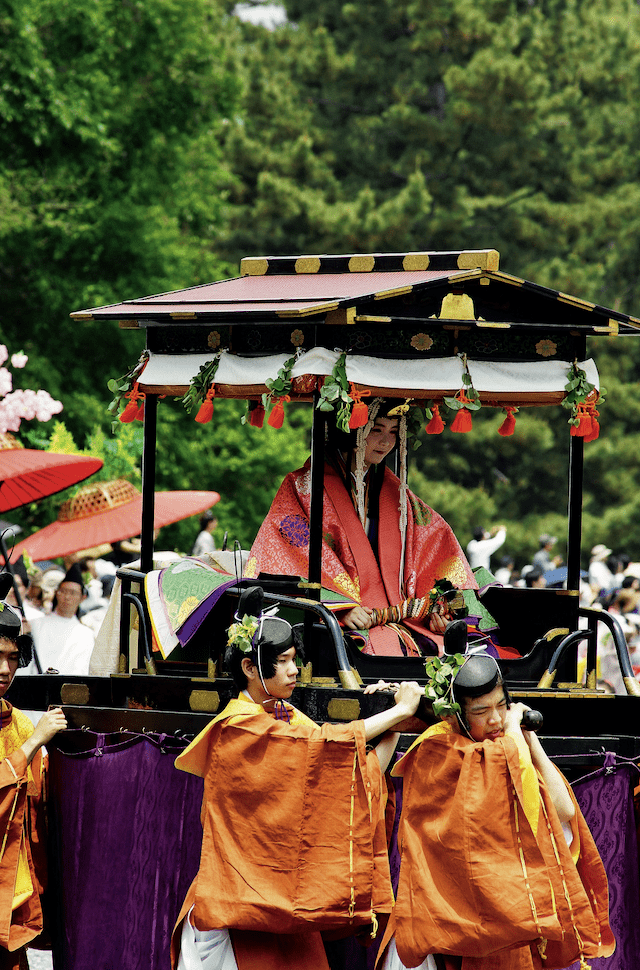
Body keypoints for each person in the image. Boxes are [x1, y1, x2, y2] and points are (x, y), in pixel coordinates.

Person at [171, 586, 424, 970]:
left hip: (283, 895)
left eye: (294, 659)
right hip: (237, 897)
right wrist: (394, 714)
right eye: (284, 660)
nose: (294, 670)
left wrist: (390, 718)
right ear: (250, 668)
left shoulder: (283, 715)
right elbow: (324, 744)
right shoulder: (238, 727)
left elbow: (350, 774)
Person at [376, 653, 614, 970]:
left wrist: (529, 738)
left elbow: (563, 808)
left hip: (510, 921)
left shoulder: (507, 745)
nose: (495, 719)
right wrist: (514, 733)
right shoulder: (438, 750)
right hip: (450, 923)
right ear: (456, 717)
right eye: (481, 711)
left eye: (501, 705)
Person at [245, 399, 476, 656]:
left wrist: (438, 609)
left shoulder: (395, 493)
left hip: (395, 620)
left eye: (393, 432)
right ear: (351, 430)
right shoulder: (302, 488)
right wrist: (339, 607)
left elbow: (435, 542)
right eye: (376, 430)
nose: (386, 442)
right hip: (340, 622)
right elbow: (288, 557)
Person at [0, 572, 67, 969]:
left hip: (13, 885)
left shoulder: (24, 724)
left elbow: (36, 819)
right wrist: (30, 746)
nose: (5, 670)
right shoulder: (30, 734)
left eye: (11, 658)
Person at [17, 564, 95, 676]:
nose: (67, 597)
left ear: (82, 598)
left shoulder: (86, 634)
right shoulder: (35, 623)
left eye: (72, 593)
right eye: (63, 591)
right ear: (57, 593)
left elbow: (82, 668)